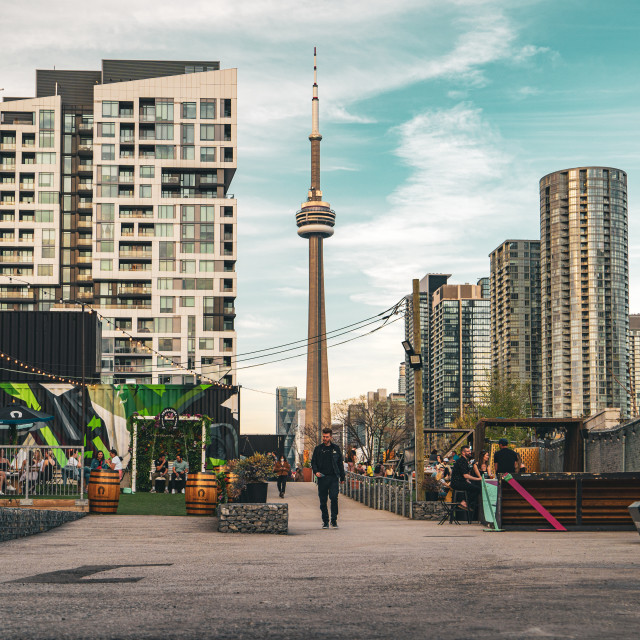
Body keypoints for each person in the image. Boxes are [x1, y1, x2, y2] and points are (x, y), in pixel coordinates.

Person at [311, 427, 345, 529]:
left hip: (333, 477)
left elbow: (340, 464)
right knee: (323, 501)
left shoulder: (336, 449)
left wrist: (342, 477)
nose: (324, 438)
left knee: (334, 498)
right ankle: (325, 521)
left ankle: (333, 520)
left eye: (326, 437)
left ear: (330, 437)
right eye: (323, 436)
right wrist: (316, 471)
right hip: (322, 478)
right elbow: (313, 462)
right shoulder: (318, 449)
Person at [450, 445, 481, 511]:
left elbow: (463, 474)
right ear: (463, 453)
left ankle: (467, 504)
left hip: (459, 482)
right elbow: (465, 475)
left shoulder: (464, 461)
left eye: (470, 451)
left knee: (473, 487)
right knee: (478, 489)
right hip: (457, 483)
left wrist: (468, 481)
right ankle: (464, 503)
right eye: (468, 451)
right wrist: (478, 479)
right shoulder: (462, 461)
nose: (470, 452)